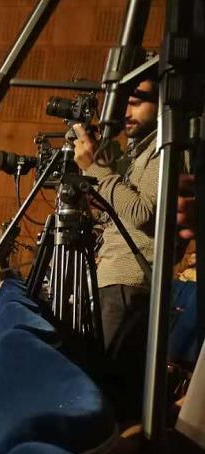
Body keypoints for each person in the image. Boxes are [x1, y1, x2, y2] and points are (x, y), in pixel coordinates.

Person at [73, 77, 162, 420]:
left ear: (162, 102)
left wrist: (95, 169)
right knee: (98, 378)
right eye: (123, 102)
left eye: (137, 101)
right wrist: (98, 161)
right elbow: (117, 207)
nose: (126, 110)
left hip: (129, 281)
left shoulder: (164, 149)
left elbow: (142, 212)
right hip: (115, 277)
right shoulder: (140, 149)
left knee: (102, 390)